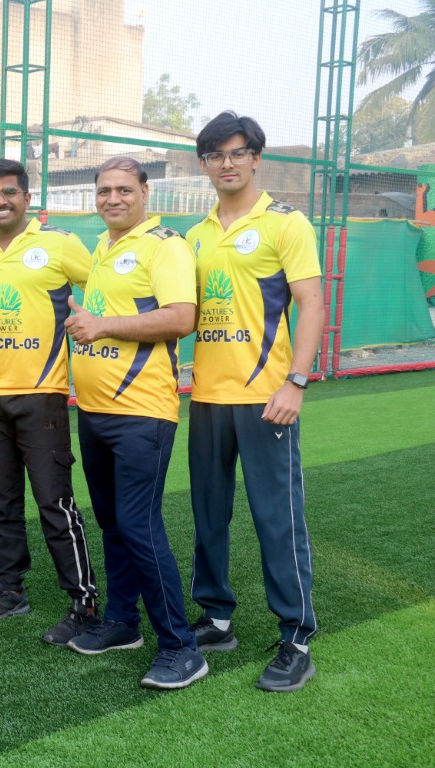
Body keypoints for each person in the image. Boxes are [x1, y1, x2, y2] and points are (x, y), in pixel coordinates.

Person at [185, 112, 324, 693]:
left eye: (237, 152)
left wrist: (296, 382)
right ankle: (217, 618)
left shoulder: (285, 223)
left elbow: (311, 303)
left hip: (267, 399)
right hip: (206, 398)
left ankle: (296, 636)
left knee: (276, 517)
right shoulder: (195, 235)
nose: (227, 163)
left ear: (256, 158)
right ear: (204, 165)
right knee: (208, 514)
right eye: (215, 155)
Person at [63, 156, 208, 690]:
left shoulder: (165, 245)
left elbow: (181, 317)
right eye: (104, 190)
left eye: (124, 189)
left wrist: (102, 326)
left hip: (142, 413)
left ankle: (181, 647)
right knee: (112, 523)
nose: (113, 198)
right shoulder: (103, 246)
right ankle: (123, 622)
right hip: (94, 411)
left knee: (140, 526)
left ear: (145, 193)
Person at [0, 159, 101, 640]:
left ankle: (84, 602)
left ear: (27, 197)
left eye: (9, 192)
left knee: (54, 502)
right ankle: (8, 590)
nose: (0, 201)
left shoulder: (60, 243)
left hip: (42, 396)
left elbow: (104, 286)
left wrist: (96, 327)